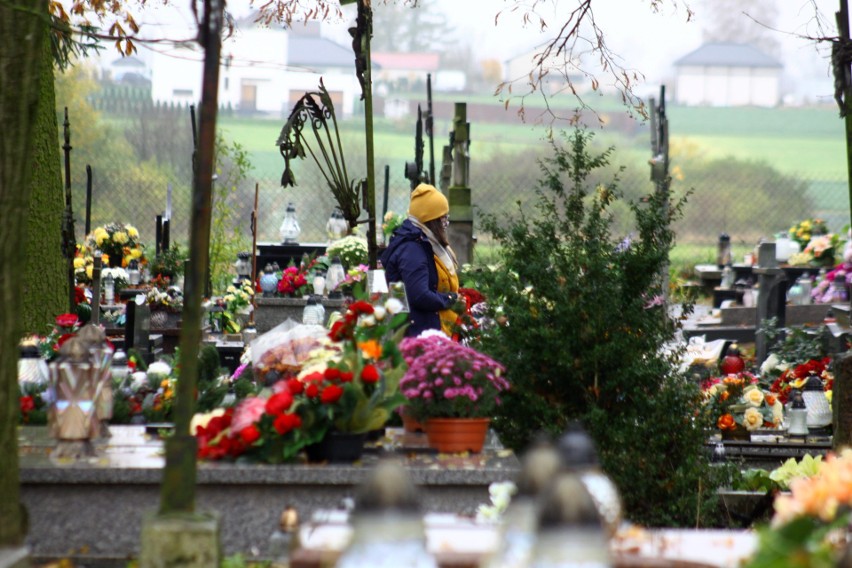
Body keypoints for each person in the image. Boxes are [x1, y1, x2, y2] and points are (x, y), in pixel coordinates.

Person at [380, 183, 459, 337]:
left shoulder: (421, 242)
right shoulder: (413, 249)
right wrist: (450, 299)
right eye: (444, 217)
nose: (446, 223)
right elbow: (419, 295)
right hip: (420, 334)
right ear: (432, 220)